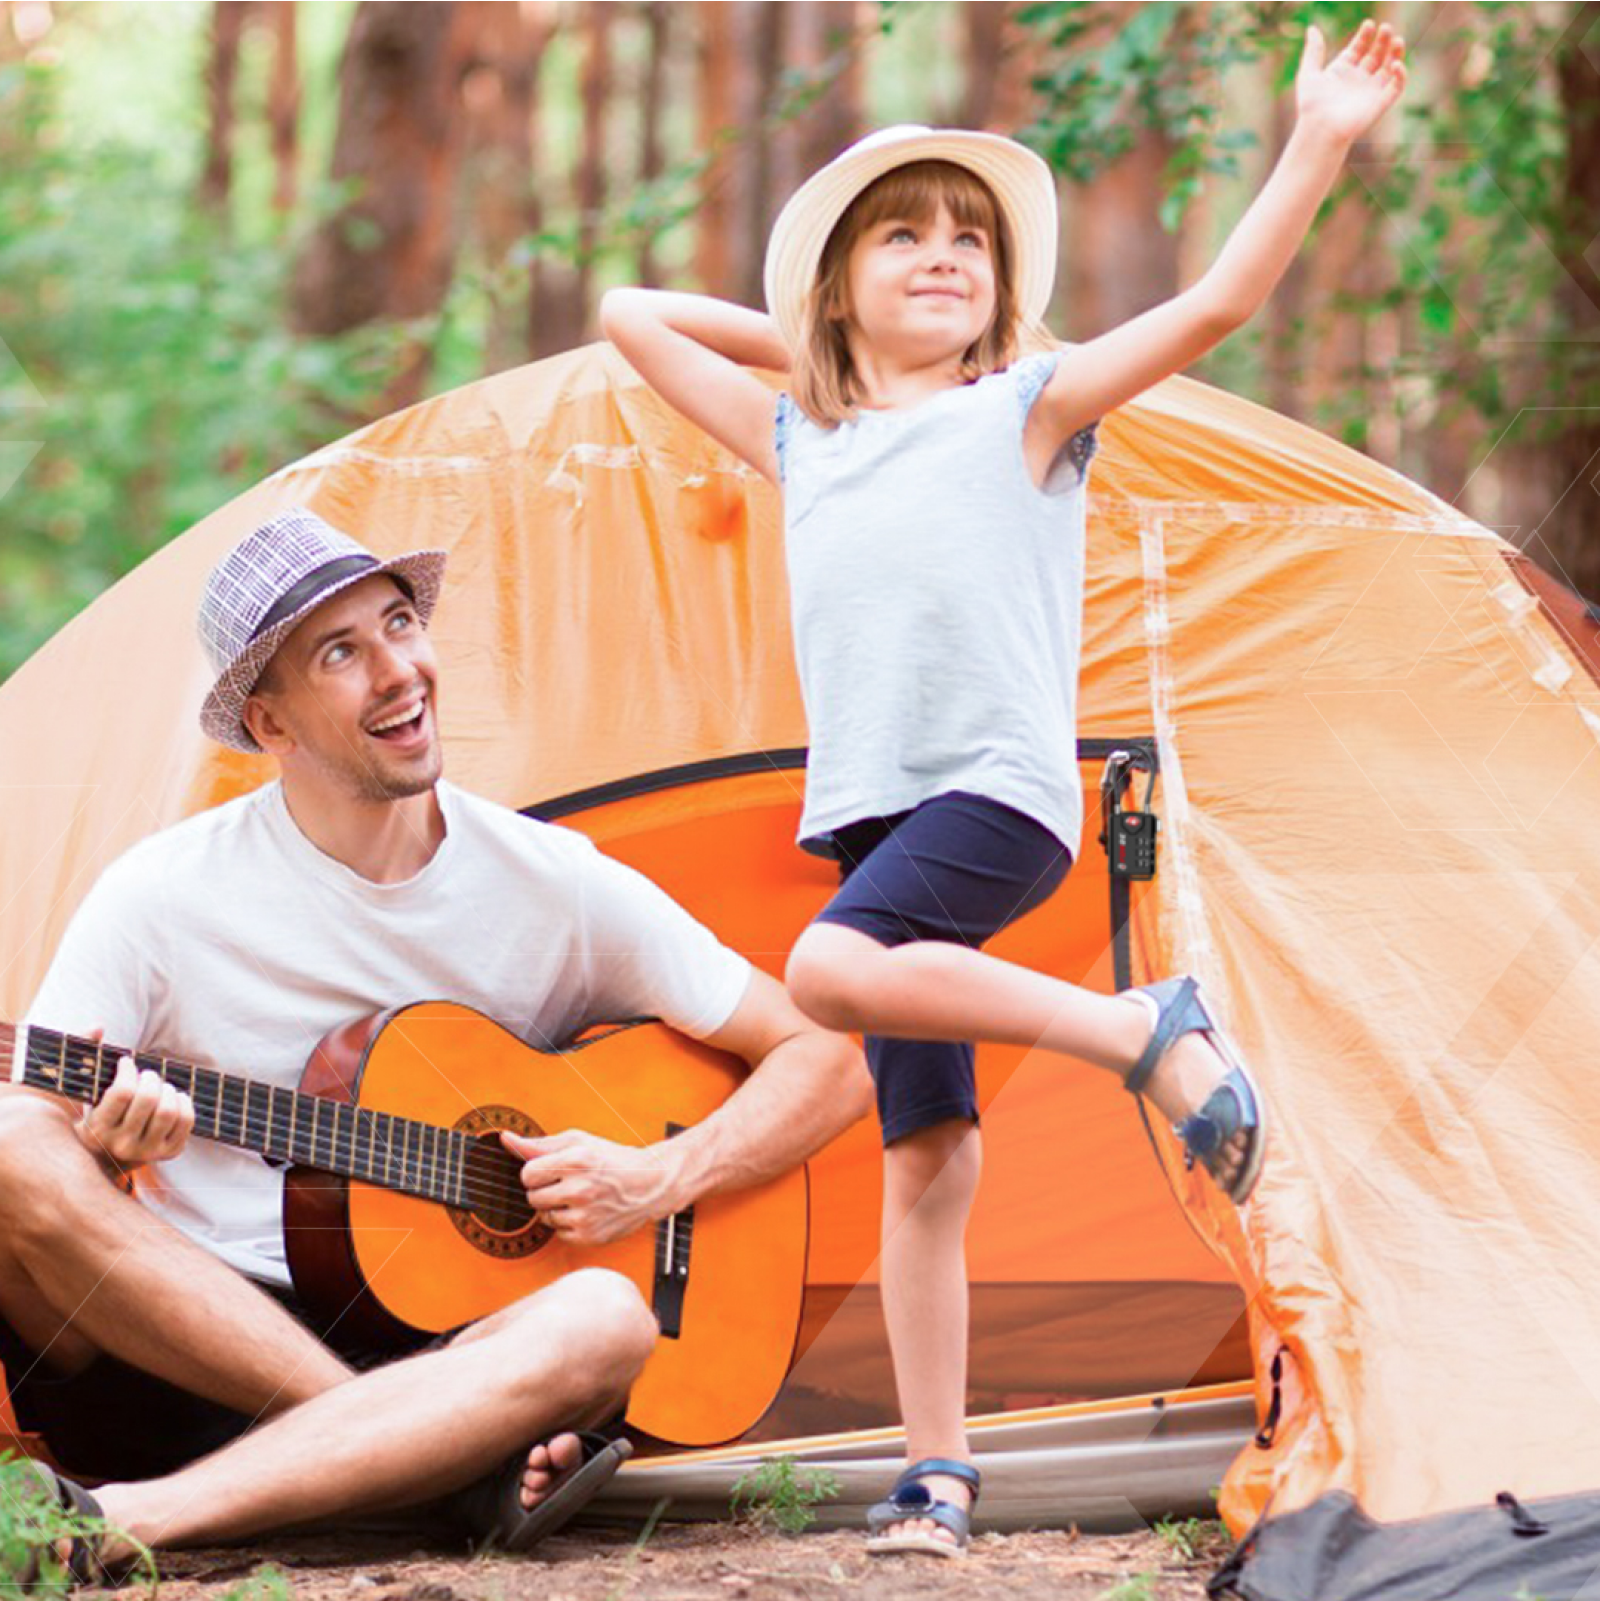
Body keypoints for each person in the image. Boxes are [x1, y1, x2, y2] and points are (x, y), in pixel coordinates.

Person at [600, 20, 1406, 1558]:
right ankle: (939, 1472)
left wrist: (1317, 137)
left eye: (967, 240)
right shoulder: (804, 436)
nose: (943, 254)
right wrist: (814, 336)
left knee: (826, 969)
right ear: (835, 289)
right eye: (901, 237)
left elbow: (1222, 298)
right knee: (926, 1157)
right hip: (877, 813)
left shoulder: (1026, 412)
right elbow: (636, 313)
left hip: (999, 793)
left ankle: (1140, 1033)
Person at [0, 507, 871, 1585]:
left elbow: (827, 1055)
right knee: (15, 1153)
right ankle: (406, 1457)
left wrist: (656, 1174)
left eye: (400, 622)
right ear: (270, 723)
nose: (398, 669)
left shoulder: (550, 880)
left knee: (606, 1314)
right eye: (341, 652)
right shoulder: (162, 894)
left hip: (453, 1352)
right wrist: (103, 1150)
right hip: (190, 1350)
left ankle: (136, 1516)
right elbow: (32, 1140)